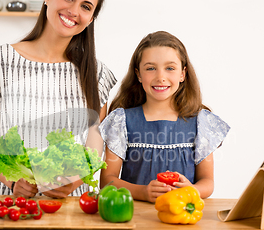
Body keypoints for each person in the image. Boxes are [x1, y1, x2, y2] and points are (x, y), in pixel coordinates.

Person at [0, 0, 116, 198]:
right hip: (9, 202)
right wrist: (13, 180)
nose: (73, 11)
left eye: (86, 7)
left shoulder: (97, 74)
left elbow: (93, 151)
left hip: (69, 207)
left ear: (91, 19)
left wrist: (71, 181)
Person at [99, 31, 230, 203]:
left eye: (170, 68)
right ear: (138, 74)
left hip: (182, 217)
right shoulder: (121, 120)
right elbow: (107, 181)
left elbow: (207, 182)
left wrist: (192, 190)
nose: (160, 77)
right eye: (151, 68)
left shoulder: (201, 122)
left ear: (183, 74)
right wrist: (142, 192)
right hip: (136, 218)